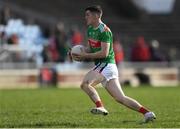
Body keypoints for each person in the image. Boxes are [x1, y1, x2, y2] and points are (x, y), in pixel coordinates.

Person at [70, 5, 156, 123]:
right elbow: (90, 48)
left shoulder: (105, 31)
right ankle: (147, 113)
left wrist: (85, 56)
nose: (85, 17)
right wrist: (77, 52)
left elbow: (104, 53)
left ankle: (100, 106)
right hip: (105, 66)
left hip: (106, 64)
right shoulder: (90, 29)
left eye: (88, 15)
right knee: (120, 98)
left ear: (97, 15)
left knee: (85, 84)